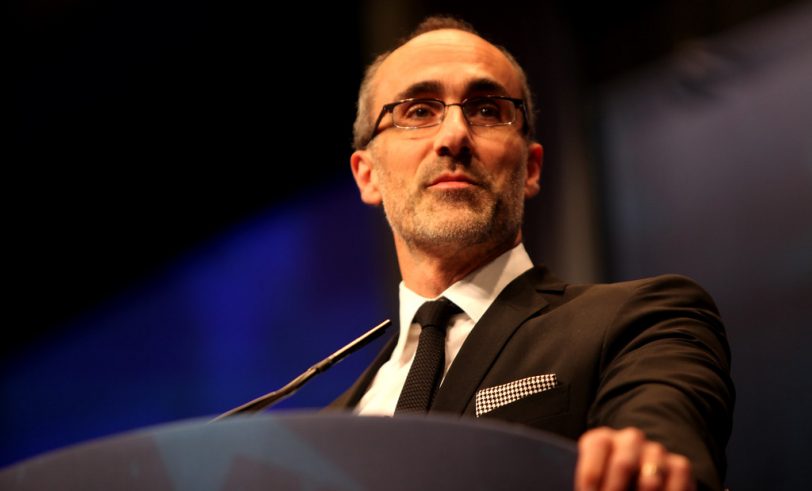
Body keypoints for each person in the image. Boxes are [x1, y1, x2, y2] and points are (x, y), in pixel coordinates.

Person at [329, 16, 734, 491]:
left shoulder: (640, 320)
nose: (454, 136)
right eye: (418, 111)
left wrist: (646, 458)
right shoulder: (334, 427)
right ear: (367, 175)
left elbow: (662, 429)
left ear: (532, 168)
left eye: (487, 110)